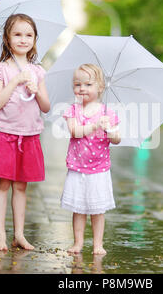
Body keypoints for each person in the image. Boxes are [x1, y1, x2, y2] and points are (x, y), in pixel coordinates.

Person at [0, 13, 50, 251]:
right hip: (6, 133)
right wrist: (15, 82)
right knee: (3, 184)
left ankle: (19, 235)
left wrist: (37, 89)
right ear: (7, 38)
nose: (23, 39)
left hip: (30, 134)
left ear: (34, 39)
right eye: (18, 34)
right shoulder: (1, 69)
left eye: (29, 35)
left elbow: (46, 106)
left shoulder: (38, 71)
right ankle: (0, 235)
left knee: (21, 186)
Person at [61, 64, 121, 255]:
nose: (82, 88)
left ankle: (97, 244)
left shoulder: (108, 114)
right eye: (78, 84)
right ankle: (78, 242)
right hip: (78, 167)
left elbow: (117, 139)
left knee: (97, 209)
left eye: (88, 84)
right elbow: (75, 131)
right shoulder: (73, 110)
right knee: (78, 208)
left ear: (100, 87)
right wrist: (95, 126)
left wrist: (109, 128)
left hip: (99, 169)